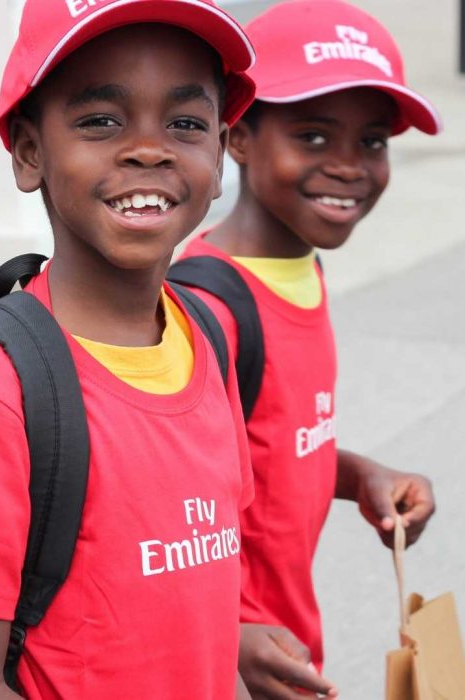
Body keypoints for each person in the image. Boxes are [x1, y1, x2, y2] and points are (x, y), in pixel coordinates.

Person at [0, 1, 259, 698]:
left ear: (222, 148)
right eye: (100, 121)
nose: (149, 148)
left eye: (186, 123)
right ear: (28, 151)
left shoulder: (208, 337)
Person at [176, 1, 439, 697]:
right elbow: (138, 518)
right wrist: (229, 643)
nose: (350, 166)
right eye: (314, 137)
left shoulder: (302, 270)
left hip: (286, 648)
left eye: (373, 141)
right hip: (219, 664)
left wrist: (358, 476)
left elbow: (268, 447)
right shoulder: (205, 311)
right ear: (237, 137)